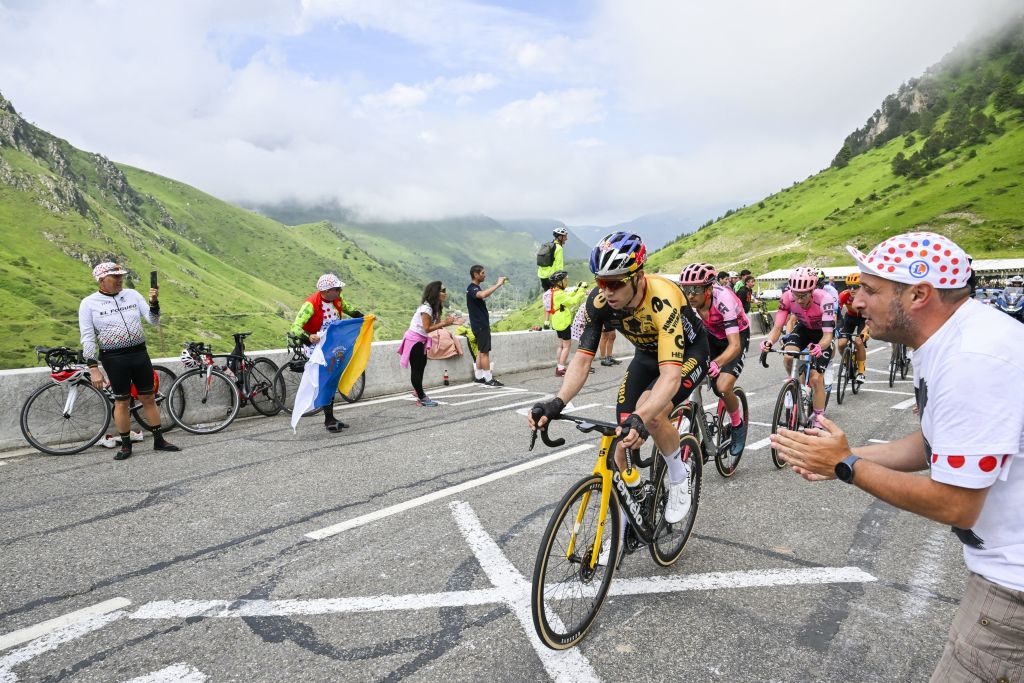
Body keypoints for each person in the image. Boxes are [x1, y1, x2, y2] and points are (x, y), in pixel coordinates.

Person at [769, 231, 1023, 682]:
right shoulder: (950, 338)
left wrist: (848, 467)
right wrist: (839, 456)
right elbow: (932, 445)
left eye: (870, 290)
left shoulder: (971, 360)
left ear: (919, 294)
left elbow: (957, 503)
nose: (857, 302)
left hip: (1012, 586)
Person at [529, 232, 710, 541]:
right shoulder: (600, 303)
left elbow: (669, 377)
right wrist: (557, 402)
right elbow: (583, 360)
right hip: (646, 354)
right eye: (601, 282)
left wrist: (644, 416)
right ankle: (630, 504)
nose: (607, 290)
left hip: (688, 356)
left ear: (638, 277)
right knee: (620, 431)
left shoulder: (662, 299)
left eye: (615, 283)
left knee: (651, 414)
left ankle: (680, 478)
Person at [79, 262, 179, 460]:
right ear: (101, 280)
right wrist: (93, 369)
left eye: (121, 276)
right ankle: (126, 445)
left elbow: (154, 320)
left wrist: (154, 301)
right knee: (122, 401)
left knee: (148, 397)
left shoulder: (132, 295)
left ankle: (159, 440)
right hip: (113, 357)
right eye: (114, 277)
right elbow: (88, 338)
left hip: (139, 353)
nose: (119, 280)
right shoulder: (89, 303)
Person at [679, 263, 750, 456]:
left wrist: (717, 363)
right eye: (686, 289)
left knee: (723, 387)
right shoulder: (687, 303)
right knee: (689, 377)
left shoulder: (724, 299)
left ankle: (737, 425)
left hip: (736, 337)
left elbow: (734, 345)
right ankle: (696, 424)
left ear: (709, 289)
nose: (690, 295)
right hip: (710, 335)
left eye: (695, 290)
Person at [760, 266, 836, 428]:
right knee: (789, 355)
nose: (799, 300)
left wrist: (820, 347)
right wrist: (768, 342)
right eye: (796, 295)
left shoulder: (825, 299)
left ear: (812, 290)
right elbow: (777, 328)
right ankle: (796, 386)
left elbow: (828, 336)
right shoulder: (787, 297)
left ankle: (819, 418)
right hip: (803, 330)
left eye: (804, 296)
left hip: (822, 334)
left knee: (816, 378)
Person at [290, 274, 364, 432]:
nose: (340, 290)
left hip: (334, 346)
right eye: (337, 289)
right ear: (327, 291)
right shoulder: (310, 305)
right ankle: (328, 420)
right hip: (317, 349)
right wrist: (308, 336)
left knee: (332, 380)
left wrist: (365, 319)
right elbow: (295, 327)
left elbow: (351, 311)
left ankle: (330, 418)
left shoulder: (338, 300)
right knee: (327, 381)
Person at [399, 282, 461, 406]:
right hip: (414, 340)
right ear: (435, 293)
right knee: (417, 369)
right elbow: (427, 328)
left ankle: (418, 391)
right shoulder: (426, 308)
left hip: (421, 339)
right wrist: (445, 323)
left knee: (421, 366)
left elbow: (436, 324)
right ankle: (422, 397)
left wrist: (452, 322)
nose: (445, 293)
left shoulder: (434, 307)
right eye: (442, 290)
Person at [467, 265, 508, 387]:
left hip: (477, 325)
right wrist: (498, 284)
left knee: (480, 351)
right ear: (476, 274)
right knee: (485, 352)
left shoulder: (472, 288)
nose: (485, 275)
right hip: (481, 325)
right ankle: (489, 379)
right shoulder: (473, 289)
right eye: (483, 273)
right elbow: (483, 295)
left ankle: (479, 376)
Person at [543, 270, 589, 376]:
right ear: (560, 282)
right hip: (563, 322)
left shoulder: (554, 291)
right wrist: (582, 290)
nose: (567, 281)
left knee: (561, 345)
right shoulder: (559, 294)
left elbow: (568, 296)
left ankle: (559, 366)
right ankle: (561, 368)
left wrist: (577, 289)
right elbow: (573, 301)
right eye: (565, 280)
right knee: (567, 346)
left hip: (557, 321)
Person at [837, 272, 869, 385]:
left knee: (858, 342)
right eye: (849, 286)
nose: (852, 289)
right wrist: (834, 326)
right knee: (841, 344)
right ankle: (847, 363)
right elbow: (836, 312)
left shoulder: (868, 296)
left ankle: (861, 372)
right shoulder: (844, 295)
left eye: (855, 286)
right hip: (850, 318)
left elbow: (872, 317)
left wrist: (866, 330)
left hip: (864, 320)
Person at [537, 227, 569, 329]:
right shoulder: (558, 248)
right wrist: (563, 278)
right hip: (552, 277)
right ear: (560, 237)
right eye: (565, 236)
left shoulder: (548, 245)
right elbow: (559, 266)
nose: (566, 239)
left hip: (542, 276)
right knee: (557, 300)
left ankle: (546, 322)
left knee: (547, 298)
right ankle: (556, 323)